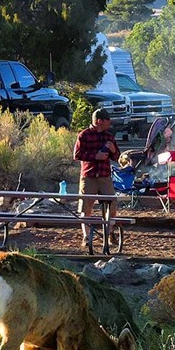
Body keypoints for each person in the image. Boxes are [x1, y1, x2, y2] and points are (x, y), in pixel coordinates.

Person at [72, 108, 120, 252]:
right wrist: (95, 156)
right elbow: (77, 155)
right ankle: (87, 237)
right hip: (89, 176)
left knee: (111, 206)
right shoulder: (84, 135)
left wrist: (113, 151)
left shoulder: (109, 137)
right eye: (107, 120)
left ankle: (109, 233)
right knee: (85, 208)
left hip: (105, 176)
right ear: (99, 121)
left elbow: (117, 157)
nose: (109, 123)